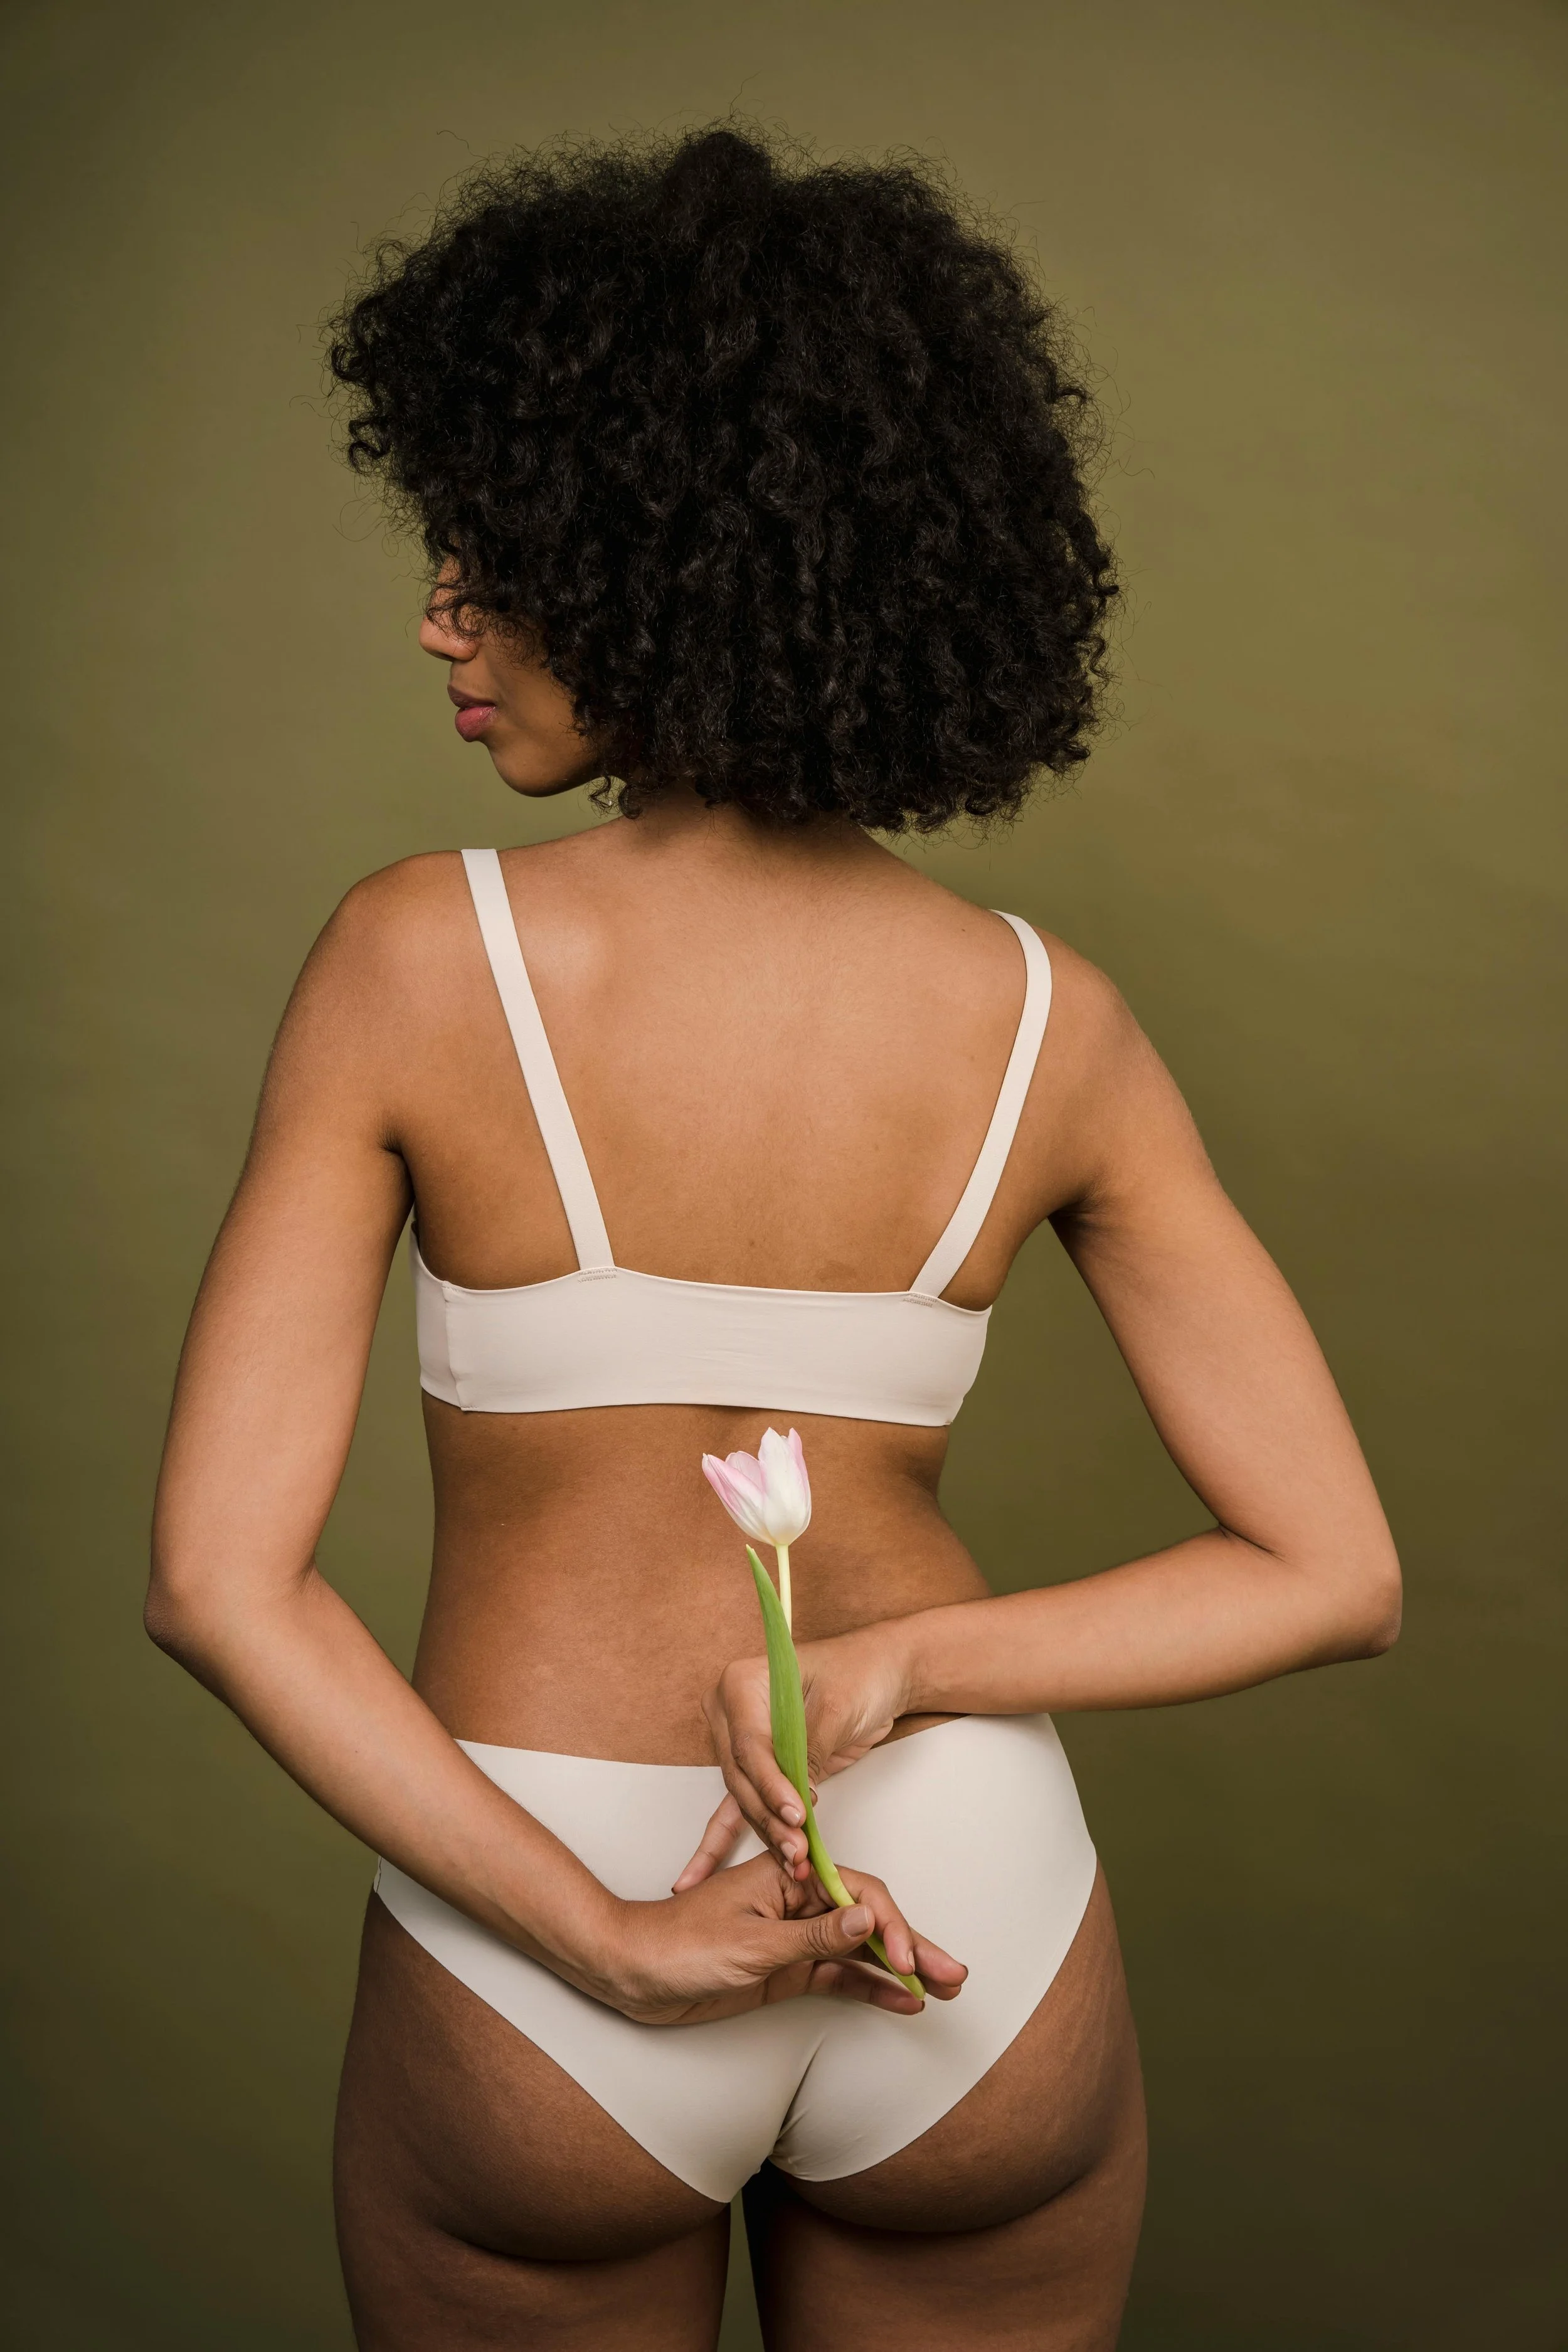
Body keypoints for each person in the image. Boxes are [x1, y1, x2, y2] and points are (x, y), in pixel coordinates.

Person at [146, 125, 1400, 2350]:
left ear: (660, 559)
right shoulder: (1050, 1021)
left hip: (541, 1918)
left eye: (503, 551)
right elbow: (1335, 1573)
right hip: (967, 1923)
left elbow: (218, 1585)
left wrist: (604, 1941)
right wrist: (907, 1662)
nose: (444, 610)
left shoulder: (420, 958)